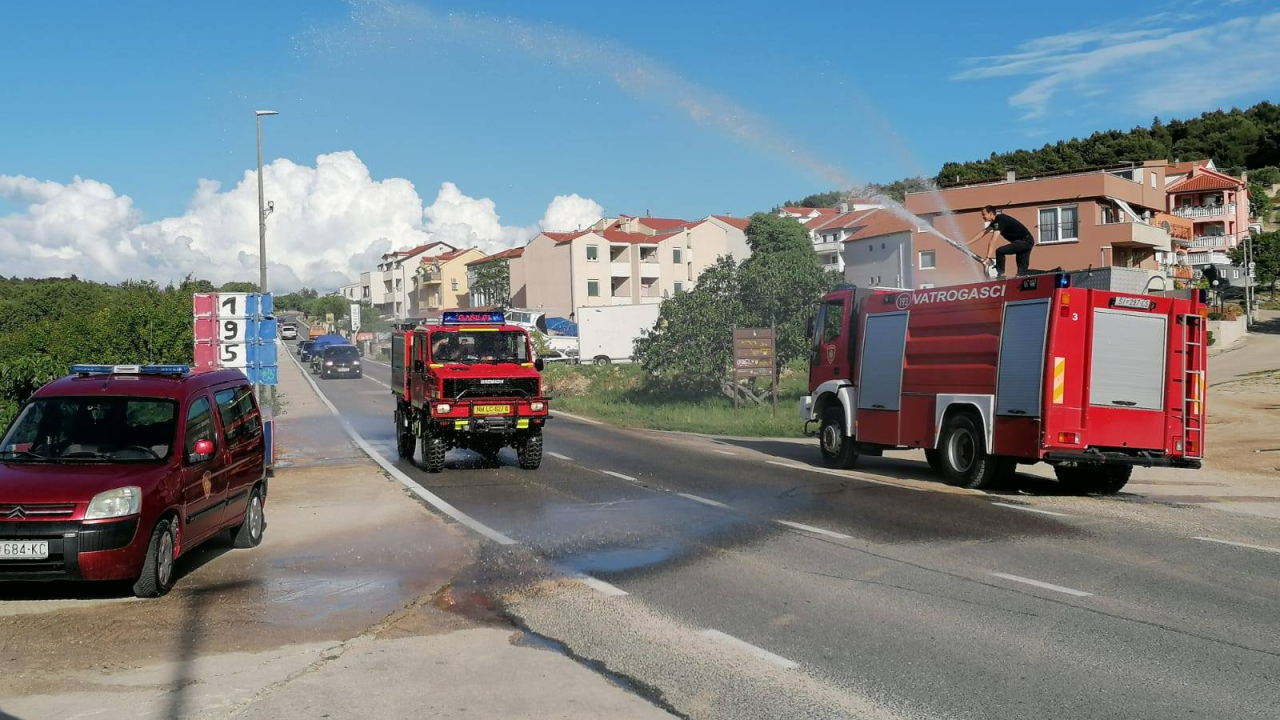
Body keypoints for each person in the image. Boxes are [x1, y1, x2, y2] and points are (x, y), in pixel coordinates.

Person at [967, 205, 1035, 277]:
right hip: (1026, 241)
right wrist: (965, 244)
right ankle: (1047, 273)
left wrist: (988, 257)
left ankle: (1001, 274)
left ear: (990, 214)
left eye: (984, 214)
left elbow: (993, 240)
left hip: (1025, 241)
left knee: (1000, 251)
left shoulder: (999, 220)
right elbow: (982, 233)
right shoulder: (996, 222)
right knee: (1022, 273)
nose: (982, 217)